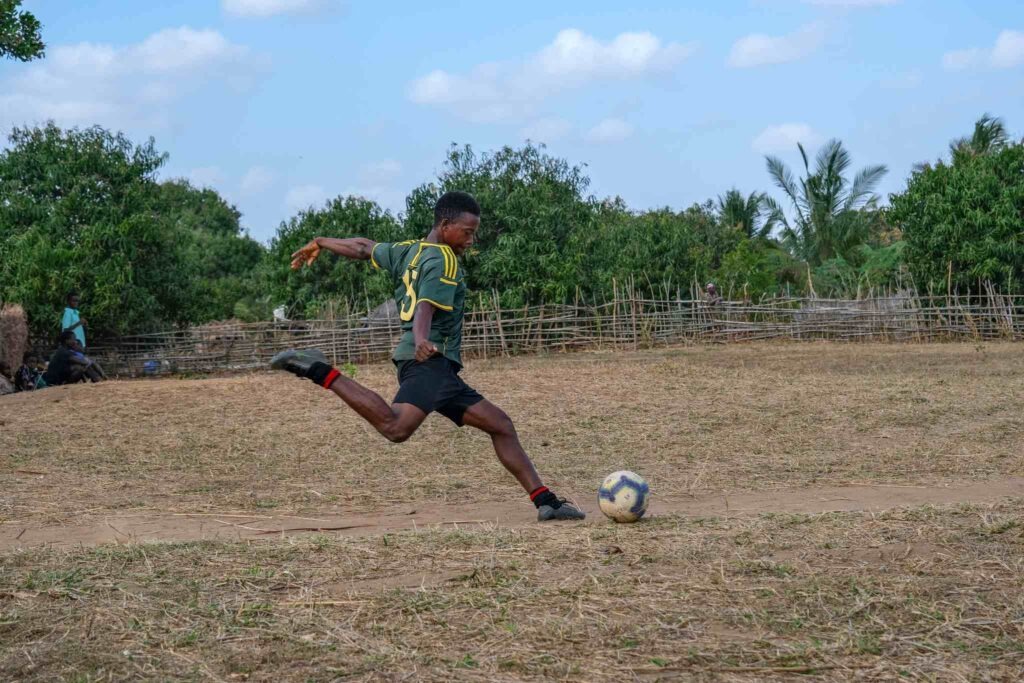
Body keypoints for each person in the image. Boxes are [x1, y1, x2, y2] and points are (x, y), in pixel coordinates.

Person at [272, 191, 585, 522]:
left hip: (436, 368)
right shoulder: (443, 259)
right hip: (428, 361)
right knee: (395, 427)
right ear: (446, 225)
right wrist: (422, 339)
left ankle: (546, 501)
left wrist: (321, 241)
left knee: (501, 425)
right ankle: (318, 369)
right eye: (467, 231)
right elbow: (426, 305)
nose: (471, 240)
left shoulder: (409, 251)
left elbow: (363, 248)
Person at [40, 330, 107, 387]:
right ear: (67, 341)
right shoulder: (64, 352)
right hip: (55, 381)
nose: (75, 341)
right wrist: (90, 361)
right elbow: (84, 362)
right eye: (73, 339)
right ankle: (99, 380)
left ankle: (100, 379)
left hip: (61, 376)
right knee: (82, 367)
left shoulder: (64, 350)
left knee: (84, 365)